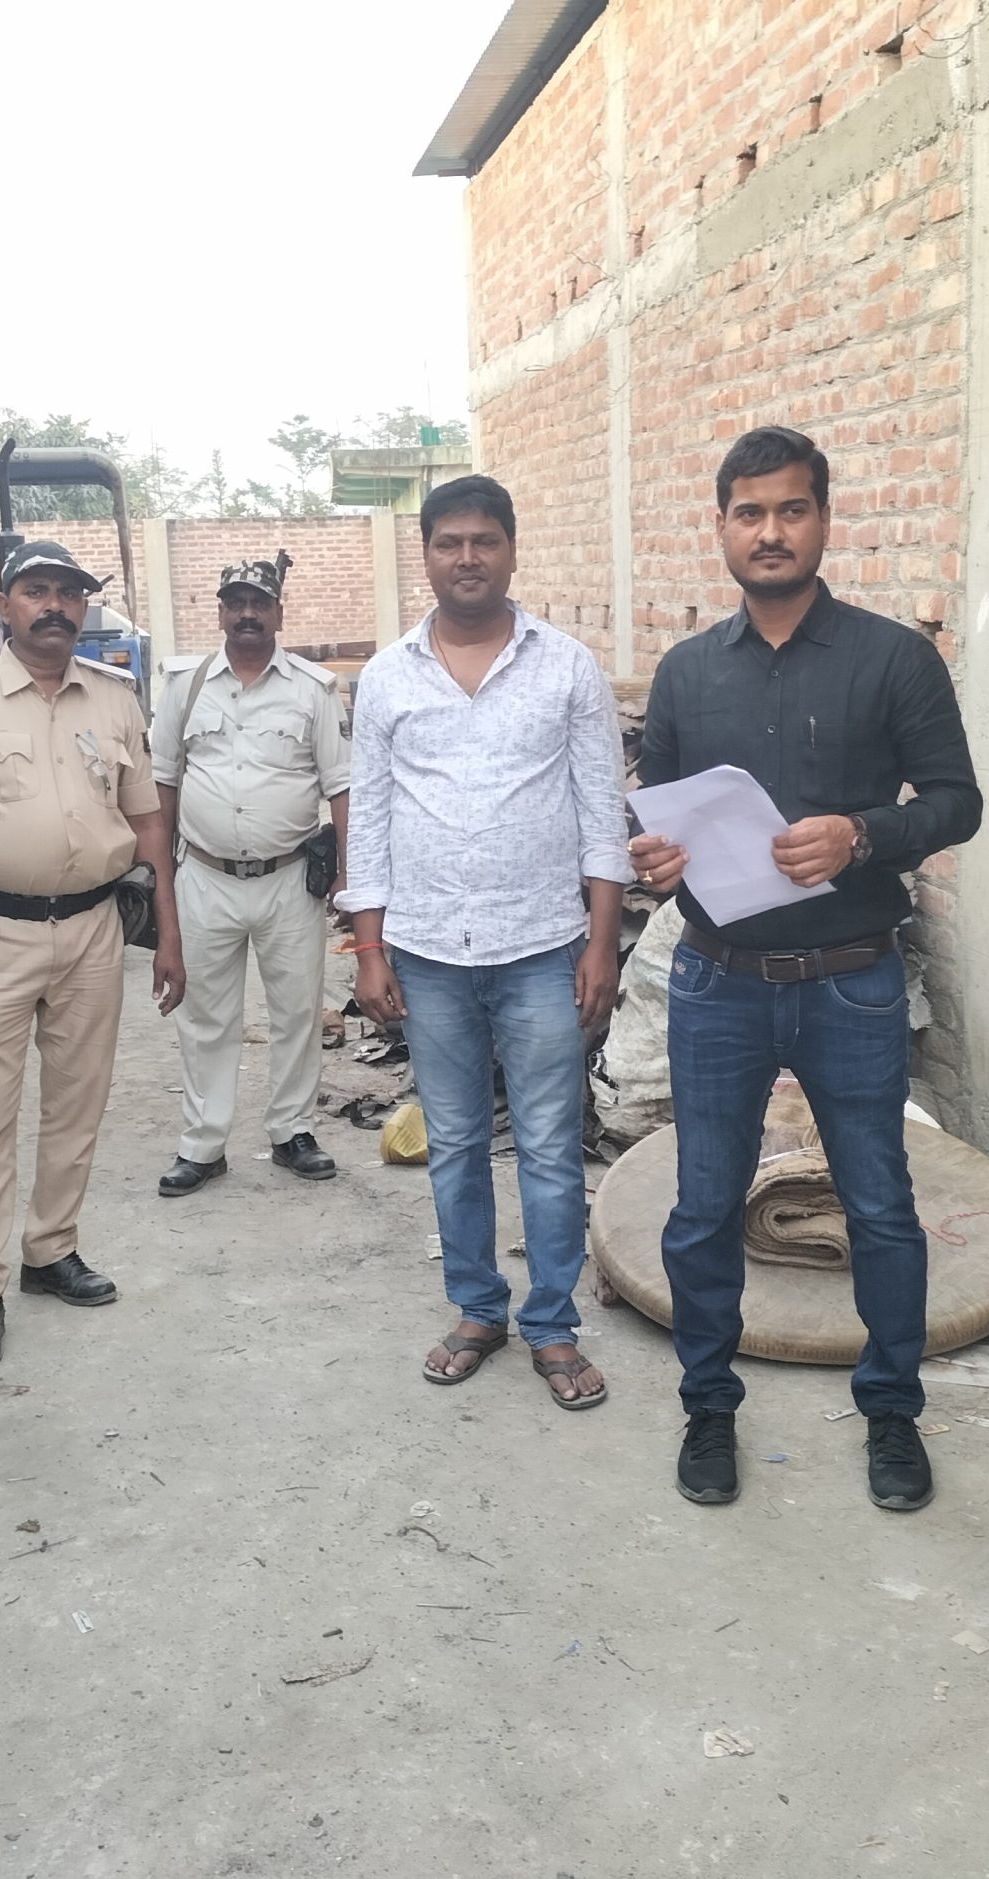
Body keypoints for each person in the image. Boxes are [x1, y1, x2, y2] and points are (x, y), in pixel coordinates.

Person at [629, 425, 982, 1511]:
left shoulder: (893, 659)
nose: (770, 532)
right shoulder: (687, 672)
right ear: (722, 527)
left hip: (851, 980)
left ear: (824, 519)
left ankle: (892, 1414)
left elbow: (958, 803)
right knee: (701, 1206)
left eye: (791, 510)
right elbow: (657, 819)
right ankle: (707, 1407)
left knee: (879, 1206)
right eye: (750, 513)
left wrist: (862, 836)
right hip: (718, 979)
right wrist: (654, 860)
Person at [340, 474, 629, 1410]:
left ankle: (552, 1325)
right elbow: (368, 821)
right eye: (448, 542)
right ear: (425, 554)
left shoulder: (568, 667)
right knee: (457, 1141)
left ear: (510, 549)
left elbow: (602, 815)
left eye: (484, 541)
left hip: (543, 947)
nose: (467, 558)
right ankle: (476, 1309)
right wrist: (370, 950)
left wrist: (601, 943)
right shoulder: (387, 676)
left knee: (548, 1145)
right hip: (428, 952)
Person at [0, 539, 183, 1375]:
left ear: (84, 607)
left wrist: (167, 933)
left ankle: (51, 1250)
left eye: (68, 592)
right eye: (37, 591)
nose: (55, 605)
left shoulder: (114, 697)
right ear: (5, 605)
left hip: (94, 928)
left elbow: (148, 822)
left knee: (76, 1105)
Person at [150, 551, 350, 1195]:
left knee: (297, 1012)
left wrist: (347, 874)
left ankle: (292, 1131)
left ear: (278, 613)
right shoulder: (185, 686)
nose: (246, 614)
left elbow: (341, 786)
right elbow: (162, 784)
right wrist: (158, 877)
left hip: (290, 879)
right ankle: (203, 1145)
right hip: (204, 876)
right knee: (205, 1017)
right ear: (220, 613)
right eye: (235, 603)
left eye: (258, 603)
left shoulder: (313, 690)